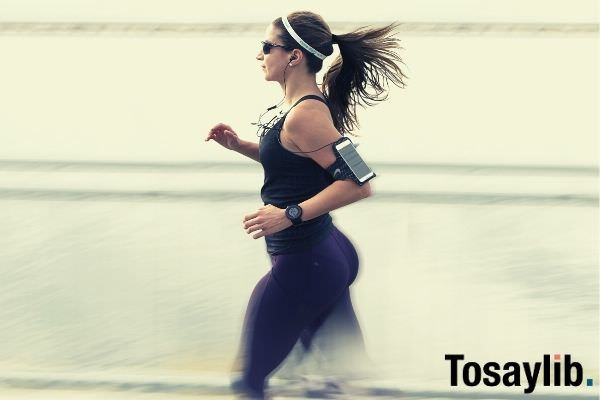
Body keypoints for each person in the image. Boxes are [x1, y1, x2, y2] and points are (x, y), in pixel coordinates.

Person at [205, 11, 407, 399]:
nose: (260, 55)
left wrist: (289, 214)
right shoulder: (298, 108)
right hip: (325, 255)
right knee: (346, 380)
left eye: (267, 47)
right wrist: (239, 146)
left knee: (249, 381)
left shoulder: (306, 114)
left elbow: (359, 183)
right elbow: (294, 160)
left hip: (307, 263)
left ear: (294, 56)